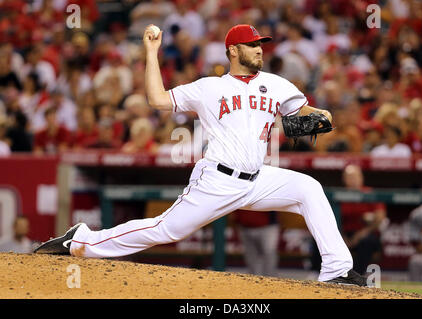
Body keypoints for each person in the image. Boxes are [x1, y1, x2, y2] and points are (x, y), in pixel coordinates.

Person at [34, 24, 367, 286]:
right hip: (217, 180)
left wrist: (322, 116)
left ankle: (337, 269)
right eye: (252, 45)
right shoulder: (209, 87)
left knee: (309, 189)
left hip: (259, 178)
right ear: (233, 50)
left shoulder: (277, 84)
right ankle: (83, 240)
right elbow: (158, 100)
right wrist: (152, 52)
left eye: (260, 44)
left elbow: (311, 112)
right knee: (165, 230)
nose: (259, 50)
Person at [233, 210, 279, 277]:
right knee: (251, 257)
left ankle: (270, 282)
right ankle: (253, 282)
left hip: (267, 227)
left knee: (269, 254)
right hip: (245, 227)